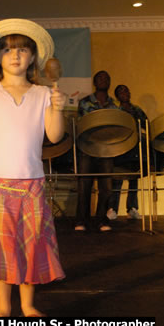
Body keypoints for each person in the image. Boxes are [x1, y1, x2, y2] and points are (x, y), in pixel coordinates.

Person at [0, 19, 66, 326]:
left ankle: (27, 306)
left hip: (32, 185)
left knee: (31, 245)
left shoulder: (42, 94)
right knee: (1, 247)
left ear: (33, 57)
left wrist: (58, 108)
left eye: (23, 49)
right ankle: (3, 309)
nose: (15, 55)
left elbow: (54, 136)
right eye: (8, 49)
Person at [74, 71, 119, 232]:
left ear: (109, 82)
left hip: (106, 150)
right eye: (100, 78)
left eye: (107, 78)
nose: (103, 80)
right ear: (94, 82)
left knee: (106, 187)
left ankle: (102, 220)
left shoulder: (114, 105)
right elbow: (81, 125)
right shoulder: (85, 102)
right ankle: (81, 220)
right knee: (84, 185)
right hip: (87, 148)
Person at [107, 84, 147, 221]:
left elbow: (146, 124)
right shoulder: (115, 109)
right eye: (121, 91)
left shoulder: (136, 109)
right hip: (120, 147)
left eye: (127, 90)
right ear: (117, 95)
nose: (125, 93)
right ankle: (113, 209)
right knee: (117, 177)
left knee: (134, 177)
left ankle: (132, 208)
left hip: (135, 147)